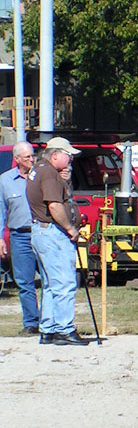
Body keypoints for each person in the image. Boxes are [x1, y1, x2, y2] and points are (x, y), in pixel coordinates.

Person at [26, 137, 89, 346]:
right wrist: (70, 229)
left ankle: (49, 328)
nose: (70, 159)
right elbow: (54, 205)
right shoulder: (49, 174)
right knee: (64, 282)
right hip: (52, 233)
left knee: (51, 284)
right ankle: (65, 329)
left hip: (41, 232)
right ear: (55, 155)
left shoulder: (39, 170)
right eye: (68, 155)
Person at [0, 142, 39, 335]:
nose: (31, 160)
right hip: (19, 236)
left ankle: (52, 322)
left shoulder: (40, 176)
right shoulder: (5, 180)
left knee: (49, 279)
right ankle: (31, 322)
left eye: (32, 156)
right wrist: (0, 238)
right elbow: (1, 211)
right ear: (17, 160)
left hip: (41, 233)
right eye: (27, 157)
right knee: (24, 282)